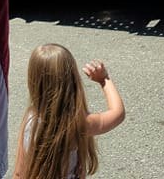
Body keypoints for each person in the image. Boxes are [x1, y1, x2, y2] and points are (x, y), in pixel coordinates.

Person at [13, 43, 125, 179]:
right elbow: (118, 113)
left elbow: (19, 171)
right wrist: (104, 80)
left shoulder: (30, 118)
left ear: (33, 81)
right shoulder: (77, 124)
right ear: (72, 79)